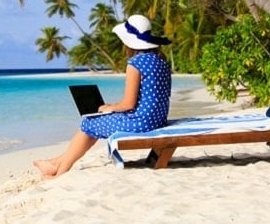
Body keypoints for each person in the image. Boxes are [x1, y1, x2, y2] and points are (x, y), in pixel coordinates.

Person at [33, 14, 172, 178]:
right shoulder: (161, 61)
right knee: (95, 121)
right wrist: (113, 108)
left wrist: (108, 108)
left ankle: (60, 171)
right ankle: (56, 163)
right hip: (157, 119)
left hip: (142, 123)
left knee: (88, 122)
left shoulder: (136, 63)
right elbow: (144, 100)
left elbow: (128, 104)